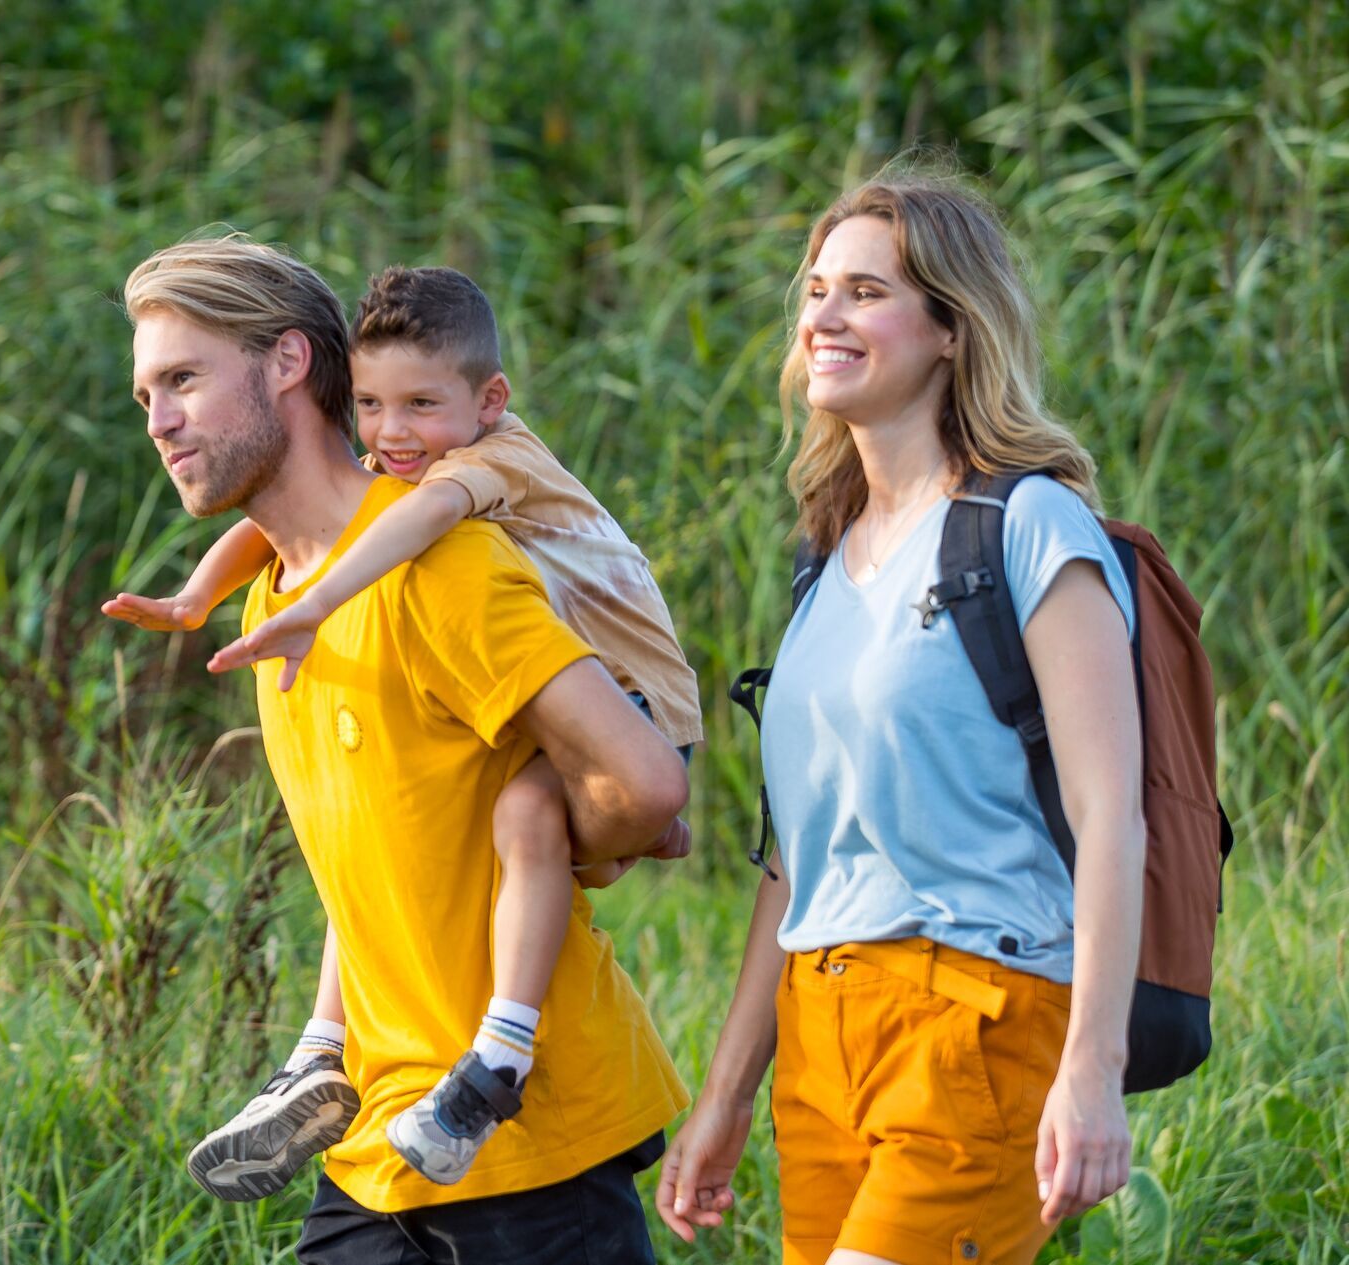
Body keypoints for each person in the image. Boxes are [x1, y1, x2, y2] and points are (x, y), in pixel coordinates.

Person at [112, 233, 691, 1262]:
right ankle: (313, 1056)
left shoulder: (443, 564)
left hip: (528, 1150)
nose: (155, 422)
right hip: (378, 1140)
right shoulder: (273, 595)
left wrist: (574, 835)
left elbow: (644, 781)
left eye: (182, 380)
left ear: (287, 364)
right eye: (145, 392)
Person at [655, 169, 1143, 1265]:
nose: (821, 316)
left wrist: (1090, 1066)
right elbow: (793, 861)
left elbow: (1109, 816)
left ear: (949, 331)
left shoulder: (1025, 526)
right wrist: (727, 1092)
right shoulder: (821, 563)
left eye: (864, 291)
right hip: (819, 1041)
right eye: (816, 289)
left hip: (975, 1012)